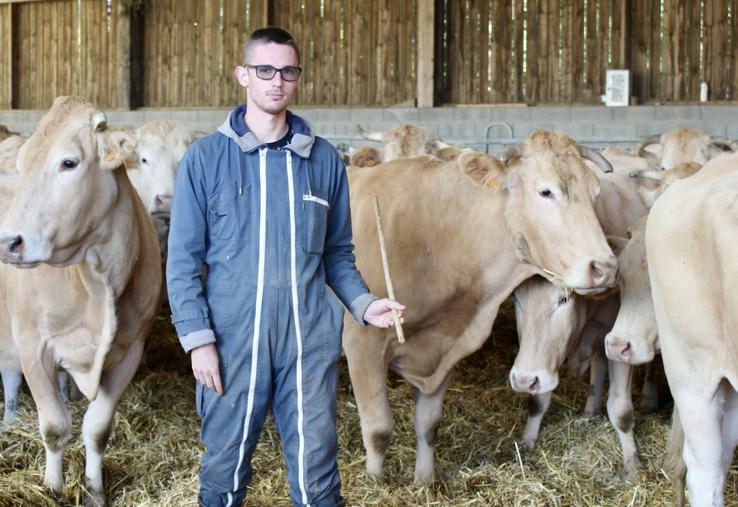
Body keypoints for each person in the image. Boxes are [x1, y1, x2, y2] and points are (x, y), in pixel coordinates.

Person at [166, 27, 405, 507]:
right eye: (265, 70)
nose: (277, 81)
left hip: (307, 341)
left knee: (317, 471)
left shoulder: (323, 161)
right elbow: (182, 263)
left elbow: (336, 254)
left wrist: (367, 304)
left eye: (288, 71)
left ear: (297, 78)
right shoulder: (205, 160)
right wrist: (198, 341)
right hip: (233, 343)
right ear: (243, 75)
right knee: (223, 467)